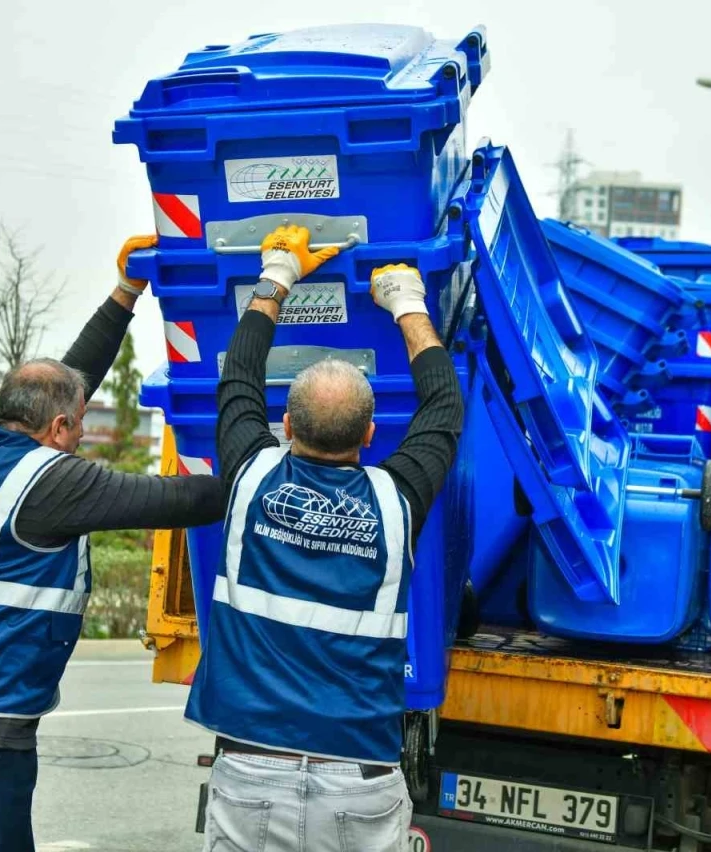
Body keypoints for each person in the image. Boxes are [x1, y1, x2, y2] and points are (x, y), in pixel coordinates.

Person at [0, 235, 227, 852]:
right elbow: (177, 500)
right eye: (79, 426)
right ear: (59, 428)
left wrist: (126, 293)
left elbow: (71, 378)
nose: (83, 434)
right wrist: (284, 470)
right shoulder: (52, 481)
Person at [185, 226, 465, 851]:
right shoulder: (396, 501)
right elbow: (444, 406)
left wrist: (277, 274)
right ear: (370, 434)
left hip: (250, 772)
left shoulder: (250, 475)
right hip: (359, 783)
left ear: (284, 426)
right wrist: (405, 301)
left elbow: (237, 381)